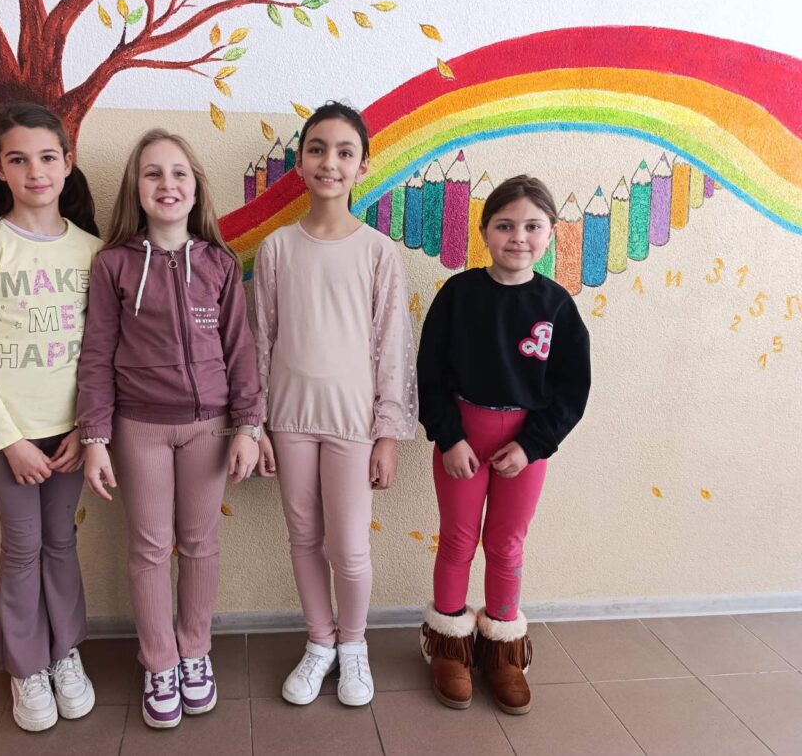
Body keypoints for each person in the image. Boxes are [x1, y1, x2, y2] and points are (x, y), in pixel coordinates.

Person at [77, 129, 262, 729]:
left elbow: (241, 351)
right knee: (151, 547)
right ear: (136, 187)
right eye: (153, 173)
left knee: (201, 542)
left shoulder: (219, 264)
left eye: (179, 173)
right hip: (139, 428)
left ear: (196, 187)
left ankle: (194, 652)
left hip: (209, 428)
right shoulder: (112, 266)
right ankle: (159, 661)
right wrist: (94, 437)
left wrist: (248, 426)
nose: (167, 184)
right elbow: (96, 355)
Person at [253, 102, 417, 707]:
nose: (330, 162)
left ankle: (353, 644)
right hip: (289, 420)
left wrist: (387, 433)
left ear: (362, 166)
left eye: (345, 152)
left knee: (348, 547)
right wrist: (256, 424)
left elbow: (391, 345)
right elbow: (260, 338)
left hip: (353, 424)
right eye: (317, 149)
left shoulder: (377, 252)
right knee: (303, 538)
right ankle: (319, 641)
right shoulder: (276, 248)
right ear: (299, 162)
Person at [416, 174, 591, 715]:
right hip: (462, 441)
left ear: (550, 233)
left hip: (524, 447)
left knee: (507, 544)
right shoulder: (458, 295)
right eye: (505, 225)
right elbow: (429, 373)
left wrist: (532, 445)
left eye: (532, 226)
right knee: (457, 540)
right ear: (485, 230)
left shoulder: (557, 305)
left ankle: (502, 652)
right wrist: (449, 437)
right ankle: (449, 646)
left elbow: (572, 390)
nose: (519, 237)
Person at [0, 102, 100, 732]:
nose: (35, 171)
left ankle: (65, 653)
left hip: (72, 435)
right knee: (22, 545)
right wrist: (9, 440)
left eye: (47, 157)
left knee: (61, 541)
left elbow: (102, 353)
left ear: (67, 162)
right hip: (7, 436)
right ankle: (27, 666)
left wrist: (85, 430)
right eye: (19, 159)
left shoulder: (93, 250)